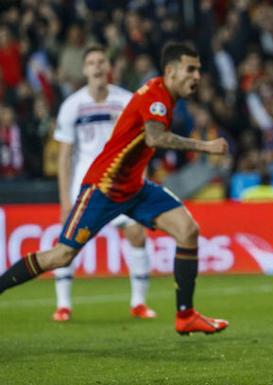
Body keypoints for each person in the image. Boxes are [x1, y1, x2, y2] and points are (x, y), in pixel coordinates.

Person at [0, 42, 230, 336]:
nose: (197, 76)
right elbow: (155, 137)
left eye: (198, 69)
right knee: (61, 256)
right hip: (103, 187)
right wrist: (205, 146)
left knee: (188, 231)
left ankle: (185, 315)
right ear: (171, 71)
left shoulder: (162, 97)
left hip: (135, 188)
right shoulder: (155, 96)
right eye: (191, 69)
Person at [52, 45, 156, 322]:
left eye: (101, 62)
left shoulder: (127, 101)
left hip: (122, 184)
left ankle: (139, 303)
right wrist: (64, 199)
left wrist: (141, 177)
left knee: (136, 234)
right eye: (91, 63)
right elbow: (64, 156)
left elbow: (143, 143)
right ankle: (63, 305)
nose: (97, 67)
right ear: (85, 69)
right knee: (68, 245)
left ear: (108, 68)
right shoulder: (72, 105)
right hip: (85, 186)